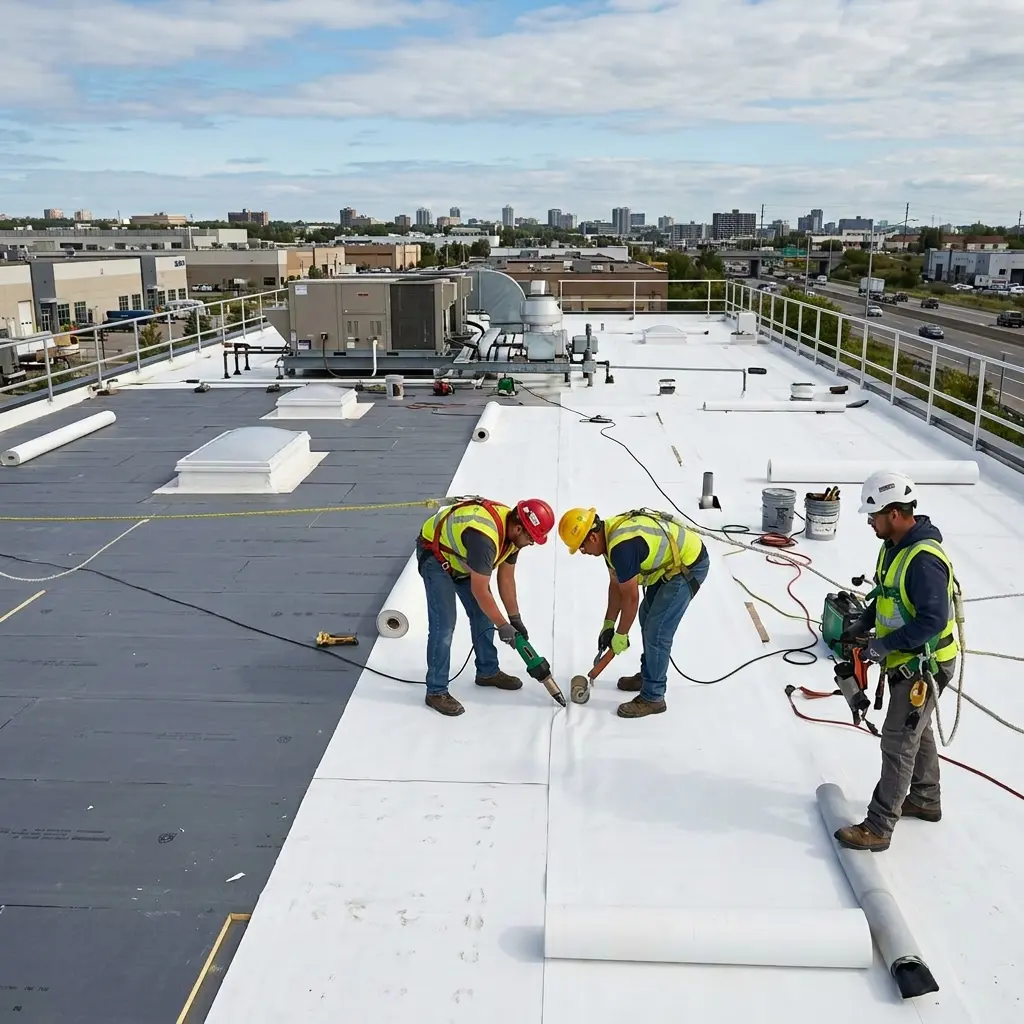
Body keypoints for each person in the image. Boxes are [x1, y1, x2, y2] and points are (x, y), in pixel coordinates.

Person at [833, 470, 960, 852]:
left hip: (925, 666)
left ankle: (878, 825)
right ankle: (924, 799)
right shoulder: (893, 547)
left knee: (898, 741)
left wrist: (881, 648)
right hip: (908, 658)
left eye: (872, 514)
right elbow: (886, 593)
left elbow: (932, 620)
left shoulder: (923, 560)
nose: (869, 521)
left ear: (893, 513)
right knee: (916, 732)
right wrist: (863, 623)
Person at [557, 506, 710, 718]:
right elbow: (616, 587)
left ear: (592, 537)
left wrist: (621, 635)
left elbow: (630, 597)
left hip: (688, 566)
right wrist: (609, 625)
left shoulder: (621, 548)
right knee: (647, 615)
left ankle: (653, 697)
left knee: (657, 629)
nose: (583, 553)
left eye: (581, 548)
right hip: (669, 566)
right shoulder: (608, 538)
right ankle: (649, 675)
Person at [417, 496, 555, 717]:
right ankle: (436, 691)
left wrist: (514, 619)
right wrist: (503, 626)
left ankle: (487, 672)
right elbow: (480, 590)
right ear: (519, 528)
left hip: (463, 559)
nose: (532, 543)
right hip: (437, 557)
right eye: (532, 538)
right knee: (444, 625)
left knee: (483, 616)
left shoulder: (512, 536)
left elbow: (506, 578)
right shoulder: (485, 537)